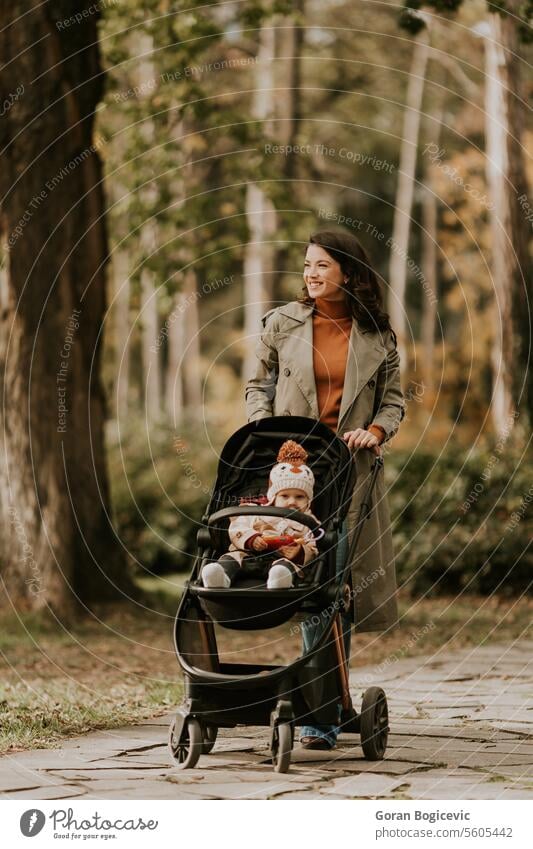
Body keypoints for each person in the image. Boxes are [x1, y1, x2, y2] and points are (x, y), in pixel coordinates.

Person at [245, 229, 405, 750]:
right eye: (307, 265)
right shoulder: (282, 324)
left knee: (334, 591)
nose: (311, 274)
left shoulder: (379, 337)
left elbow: (393, 403)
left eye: (322, 266)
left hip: (348, 476)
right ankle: (321, 708)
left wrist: (375, 432)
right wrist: (265, 434)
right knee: (306, 586)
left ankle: (323, 711)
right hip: (291, 478)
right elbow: (257, 386)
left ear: (349, 273)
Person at [202, 440, 320, 590]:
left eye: (299, 497)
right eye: (285, 496)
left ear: (308, 500)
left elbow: (314, 547)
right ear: (273, 496)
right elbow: (237, 527)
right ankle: (220, 577)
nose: (292, 502)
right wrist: (251, 539)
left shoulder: (308, 522)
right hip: (248, 555)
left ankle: (280, 580)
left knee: (287, 567)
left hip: (281, 560)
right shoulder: (254, 511)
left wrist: (299, 552)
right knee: (231, 558)